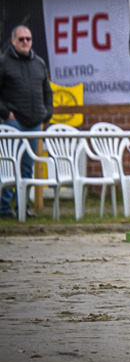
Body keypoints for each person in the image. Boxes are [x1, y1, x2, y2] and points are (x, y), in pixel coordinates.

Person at [0, 25, 54, 218]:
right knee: (9, 166)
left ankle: (23, 208)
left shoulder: (39, 63)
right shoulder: (3, 62)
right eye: (21, 39)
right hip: (13, 124)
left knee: (26, 167)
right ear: (13, 41)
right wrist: (7, 114)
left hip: (34, 124)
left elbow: (48, 91)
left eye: (28, 39)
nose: (25, 42)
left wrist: (46, 113)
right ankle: (4, 209)